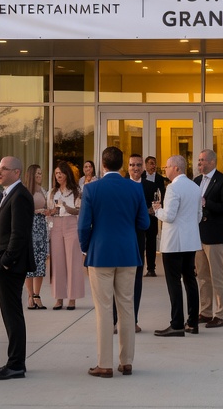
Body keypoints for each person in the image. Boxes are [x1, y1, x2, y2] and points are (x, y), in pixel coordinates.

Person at [79, 146, 150, 377]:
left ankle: (105, 364)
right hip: (128, 253)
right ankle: (126, 361)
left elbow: (83, 226)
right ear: (122, 165)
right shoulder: (134, 188)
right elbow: (144, 224)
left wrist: (85, 248)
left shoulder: (91, 189)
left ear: (103, 164)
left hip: (100, 255)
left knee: (104, 309)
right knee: (127, 307)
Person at [0, 156, 35, 380]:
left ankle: (15, 364)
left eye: (4, 169)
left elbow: (19, 234)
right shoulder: (9, 194)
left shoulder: (20, 196)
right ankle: (15, 361)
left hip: (10, 266)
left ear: (16, 172)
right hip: (5, 263)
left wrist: (6, 261)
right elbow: (5, 228)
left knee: (12, 314)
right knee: (9, 314)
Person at [152, 154, 201, 336]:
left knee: (174, 283)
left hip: (173, 243)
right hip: (190, 240)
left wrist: (157, 211)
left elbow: (169, 216)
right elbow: (198, 214)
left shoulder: (173, 188)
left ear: (176, 168)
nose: (165, 170)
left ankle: (177, 323)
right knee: (190, 280)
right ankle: (193, 322)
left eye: (167, 167)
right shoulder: (195, 187)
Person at [193, 148, 223, 328]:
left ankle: (220, 314)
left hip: (215, 236)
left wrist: (206, 203)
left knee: (217, 276)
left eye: (202, 160)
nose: (199, 163)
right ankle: (206, 311)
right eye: (199, 160)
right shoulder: (196, 181)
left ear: (212, 162)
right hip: (198, 234)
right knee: (202, 276)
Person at [127, 153, 160, 330]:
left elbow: (155, 208)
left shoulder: (150, 186)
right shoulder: (121, 185)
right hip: (123, 237)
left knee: (137, 279)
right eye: (132, 165)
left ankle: (134, 320)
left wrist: (147, 212)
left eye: (139, 165)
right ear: (128, 167)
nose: (136, 168)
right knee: (121, 280)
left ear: (143, 167)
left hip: (140, 236)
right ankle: (118, 320)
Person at [48, 160, 86, 309]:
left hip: (71, 224)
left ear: (67, 174)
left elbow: (79, 210)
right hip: (56, 224)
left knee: (73, 261)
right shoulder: (52, 192)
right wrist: (49, 212)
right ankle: (59, 298)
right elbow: (51, 210)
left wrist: (66, 206)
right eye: (56, 173)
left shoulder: (76, 190)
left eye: (61, 173)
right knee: (57, 262)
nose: (58, 176)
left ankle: (72, 298)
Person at [23, 164, 50, 310]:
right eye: (37, 173)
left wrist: (47, 211)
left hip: (42, 227)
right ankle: (29, 295)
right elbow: (23, 210)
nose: (40, 175)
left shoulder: (44, 190)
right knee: (30, 263)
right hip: (30, 228)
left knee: (40, 262)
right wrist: (37, 211)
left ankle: (37, 295)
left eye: (41, 173)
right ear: (32, 175)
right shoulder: (26, 191)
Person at [142, 156, 167, 277]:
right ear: (145, 165)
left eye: (155, 163)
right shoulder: (140, 177)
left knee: (151, 242)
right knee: (140, 242)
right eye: (151, 163)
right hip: (141, 213)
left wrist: (156, 208)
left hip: (153, 214)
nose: (153, 166)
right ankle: (139, 267)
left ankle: (151, 268)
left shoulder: (160, 179)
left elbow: (162, 195)